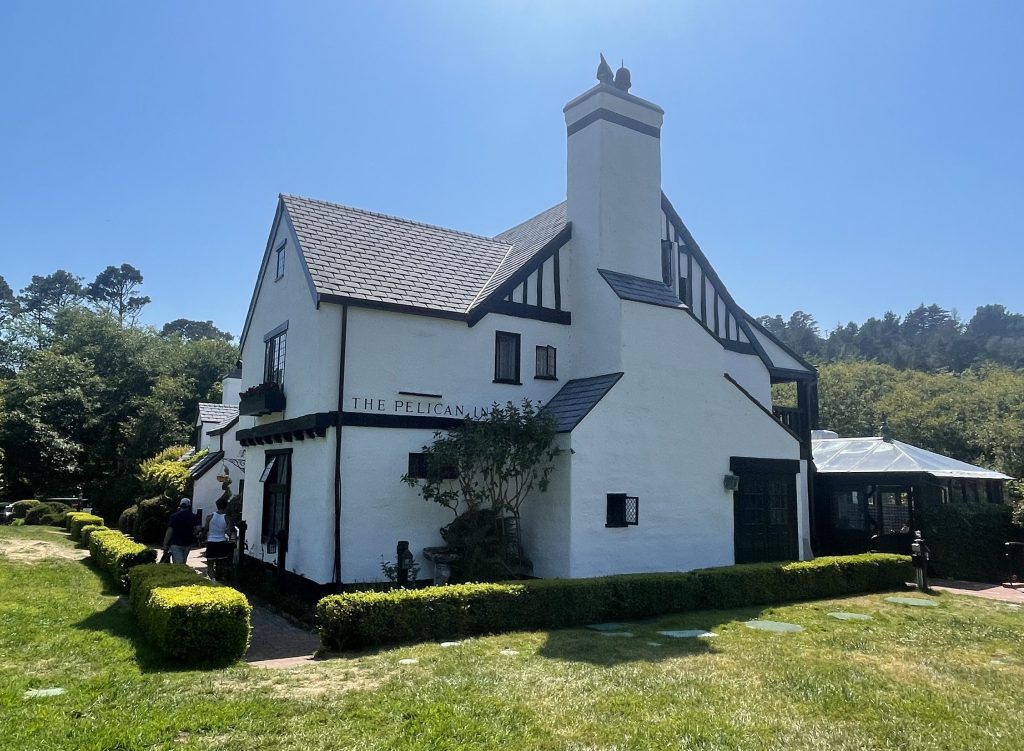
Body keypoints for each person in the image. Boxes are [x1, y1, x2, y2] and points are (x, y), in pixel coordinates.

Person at [203, 498, 235, 579]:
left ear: (216, 506)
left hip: (211, 542)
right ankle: (220, 580)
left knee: (210, 564)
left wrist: (203, 538)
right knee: (220, 564)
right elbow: (228, 532)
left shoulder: (209, 517)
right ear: (226, 506)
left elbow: (205, 529)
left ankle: (212, 580)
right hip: (221, 542)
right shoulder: (227, 518)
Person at [163, 498, 198, 565]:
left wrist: (165, 543)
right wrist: (194, 534)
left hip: (175, 543)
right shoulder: (193, 516)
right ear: (189, 506)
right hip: (188, 543)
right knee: (183, 561)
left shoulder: (174, 516)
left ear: (180, 505)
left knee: (178, 563)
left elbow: (170, 530)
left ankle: (179, 574)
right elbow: (198, 528)